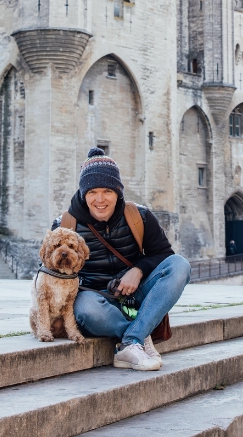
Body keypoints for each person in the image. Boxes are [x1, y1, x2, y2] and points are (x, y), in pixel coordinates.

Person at [54, 147, 190, 371]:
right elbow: (50, 273)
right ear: (83, 194)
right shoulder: (65, 225)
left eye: (107, 191)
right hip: (95, 299)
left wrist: (137, 271)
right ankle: (139, 335)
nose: (100, 199)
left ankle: (131, 339)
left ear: (118, 192)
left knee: (179, 265)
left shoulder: (139, 216)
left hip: (135, 295)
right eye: (92, 192)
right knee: (86, 309)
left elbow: (164, 255)